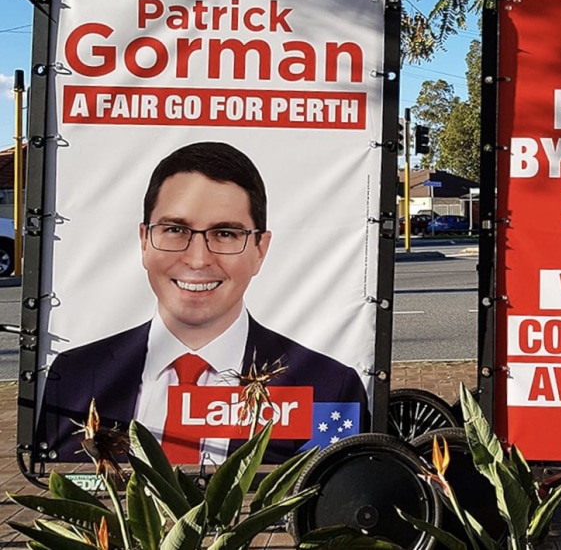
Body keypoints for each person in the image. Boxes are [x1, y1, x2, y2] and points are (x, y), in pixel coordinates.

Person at [36, 141, 370, 465]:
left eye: (225, 234)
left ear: (260, 251)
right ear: (144, 241)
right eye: (174, 229)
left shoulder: (329, 385)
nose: (198, 260)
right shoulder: (76, 375)